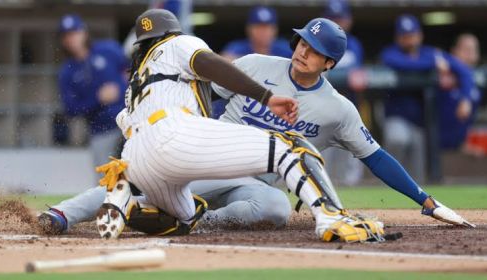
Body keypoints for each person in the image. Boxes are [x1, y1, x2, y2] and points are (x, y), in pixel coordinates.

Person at [38, 13, 473, 241]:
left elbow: (375, 156)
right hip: (210, 159)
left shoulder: (337, 109)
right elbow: (200, 95)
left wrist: (423, 198)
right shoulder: (256, 66)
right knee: (135, 183)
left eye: (315, 48)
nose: (304, 50)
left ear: (330, 63)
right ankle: (60, 214)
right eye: (303, 40)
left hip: (252, 183)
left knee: (276, 208)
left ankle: (198, 225)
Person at [380, 14, 475, 183]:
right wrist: (433, 64)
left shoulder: (429, 53)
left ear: (419, 35)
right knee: (398, 140)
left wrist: (466, 98)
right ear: (398, 37)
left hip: (421, 121)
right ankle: (386, 184)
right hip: (396, 115)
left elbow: (464, 71)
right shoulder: (390, 53)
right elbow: (403, 64)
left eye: (412, 35)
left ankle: (406, 207)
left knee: (417, 176)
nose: (409, 40)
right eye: (405, 36)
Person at [58, 14, 129, 169]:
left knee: (140, 173)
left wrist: (125, 88)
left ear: (84, 32)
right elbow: (71, 109)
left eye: (74, 32)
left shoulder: (109, 49)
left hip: (130, 121)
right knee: (107, 181)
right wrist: (98, 99)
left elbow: (132, 71)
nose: (72, 38)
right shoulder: (67, 72)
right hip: (102, 130)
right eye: (67, 35)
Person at [320, 0, 365, 186]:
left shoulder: (354, 44)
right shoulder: (317, 42)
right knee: (323, 158)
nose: (337, 23)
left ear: (349, 20)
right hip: (322, 108)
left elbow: (358, 76)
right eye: (332, 19)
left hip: (349, 108)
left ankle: (354, 201)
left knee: (351, 157)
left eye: (340, 19)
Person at [438, 34, 482, 149]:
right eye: (466, 49)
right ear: (454, 51)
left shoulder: (478, 81)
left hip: (457, 145)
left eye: (473, 50)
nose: (470, 54)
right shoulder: (441, 71)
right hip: (431, 144)